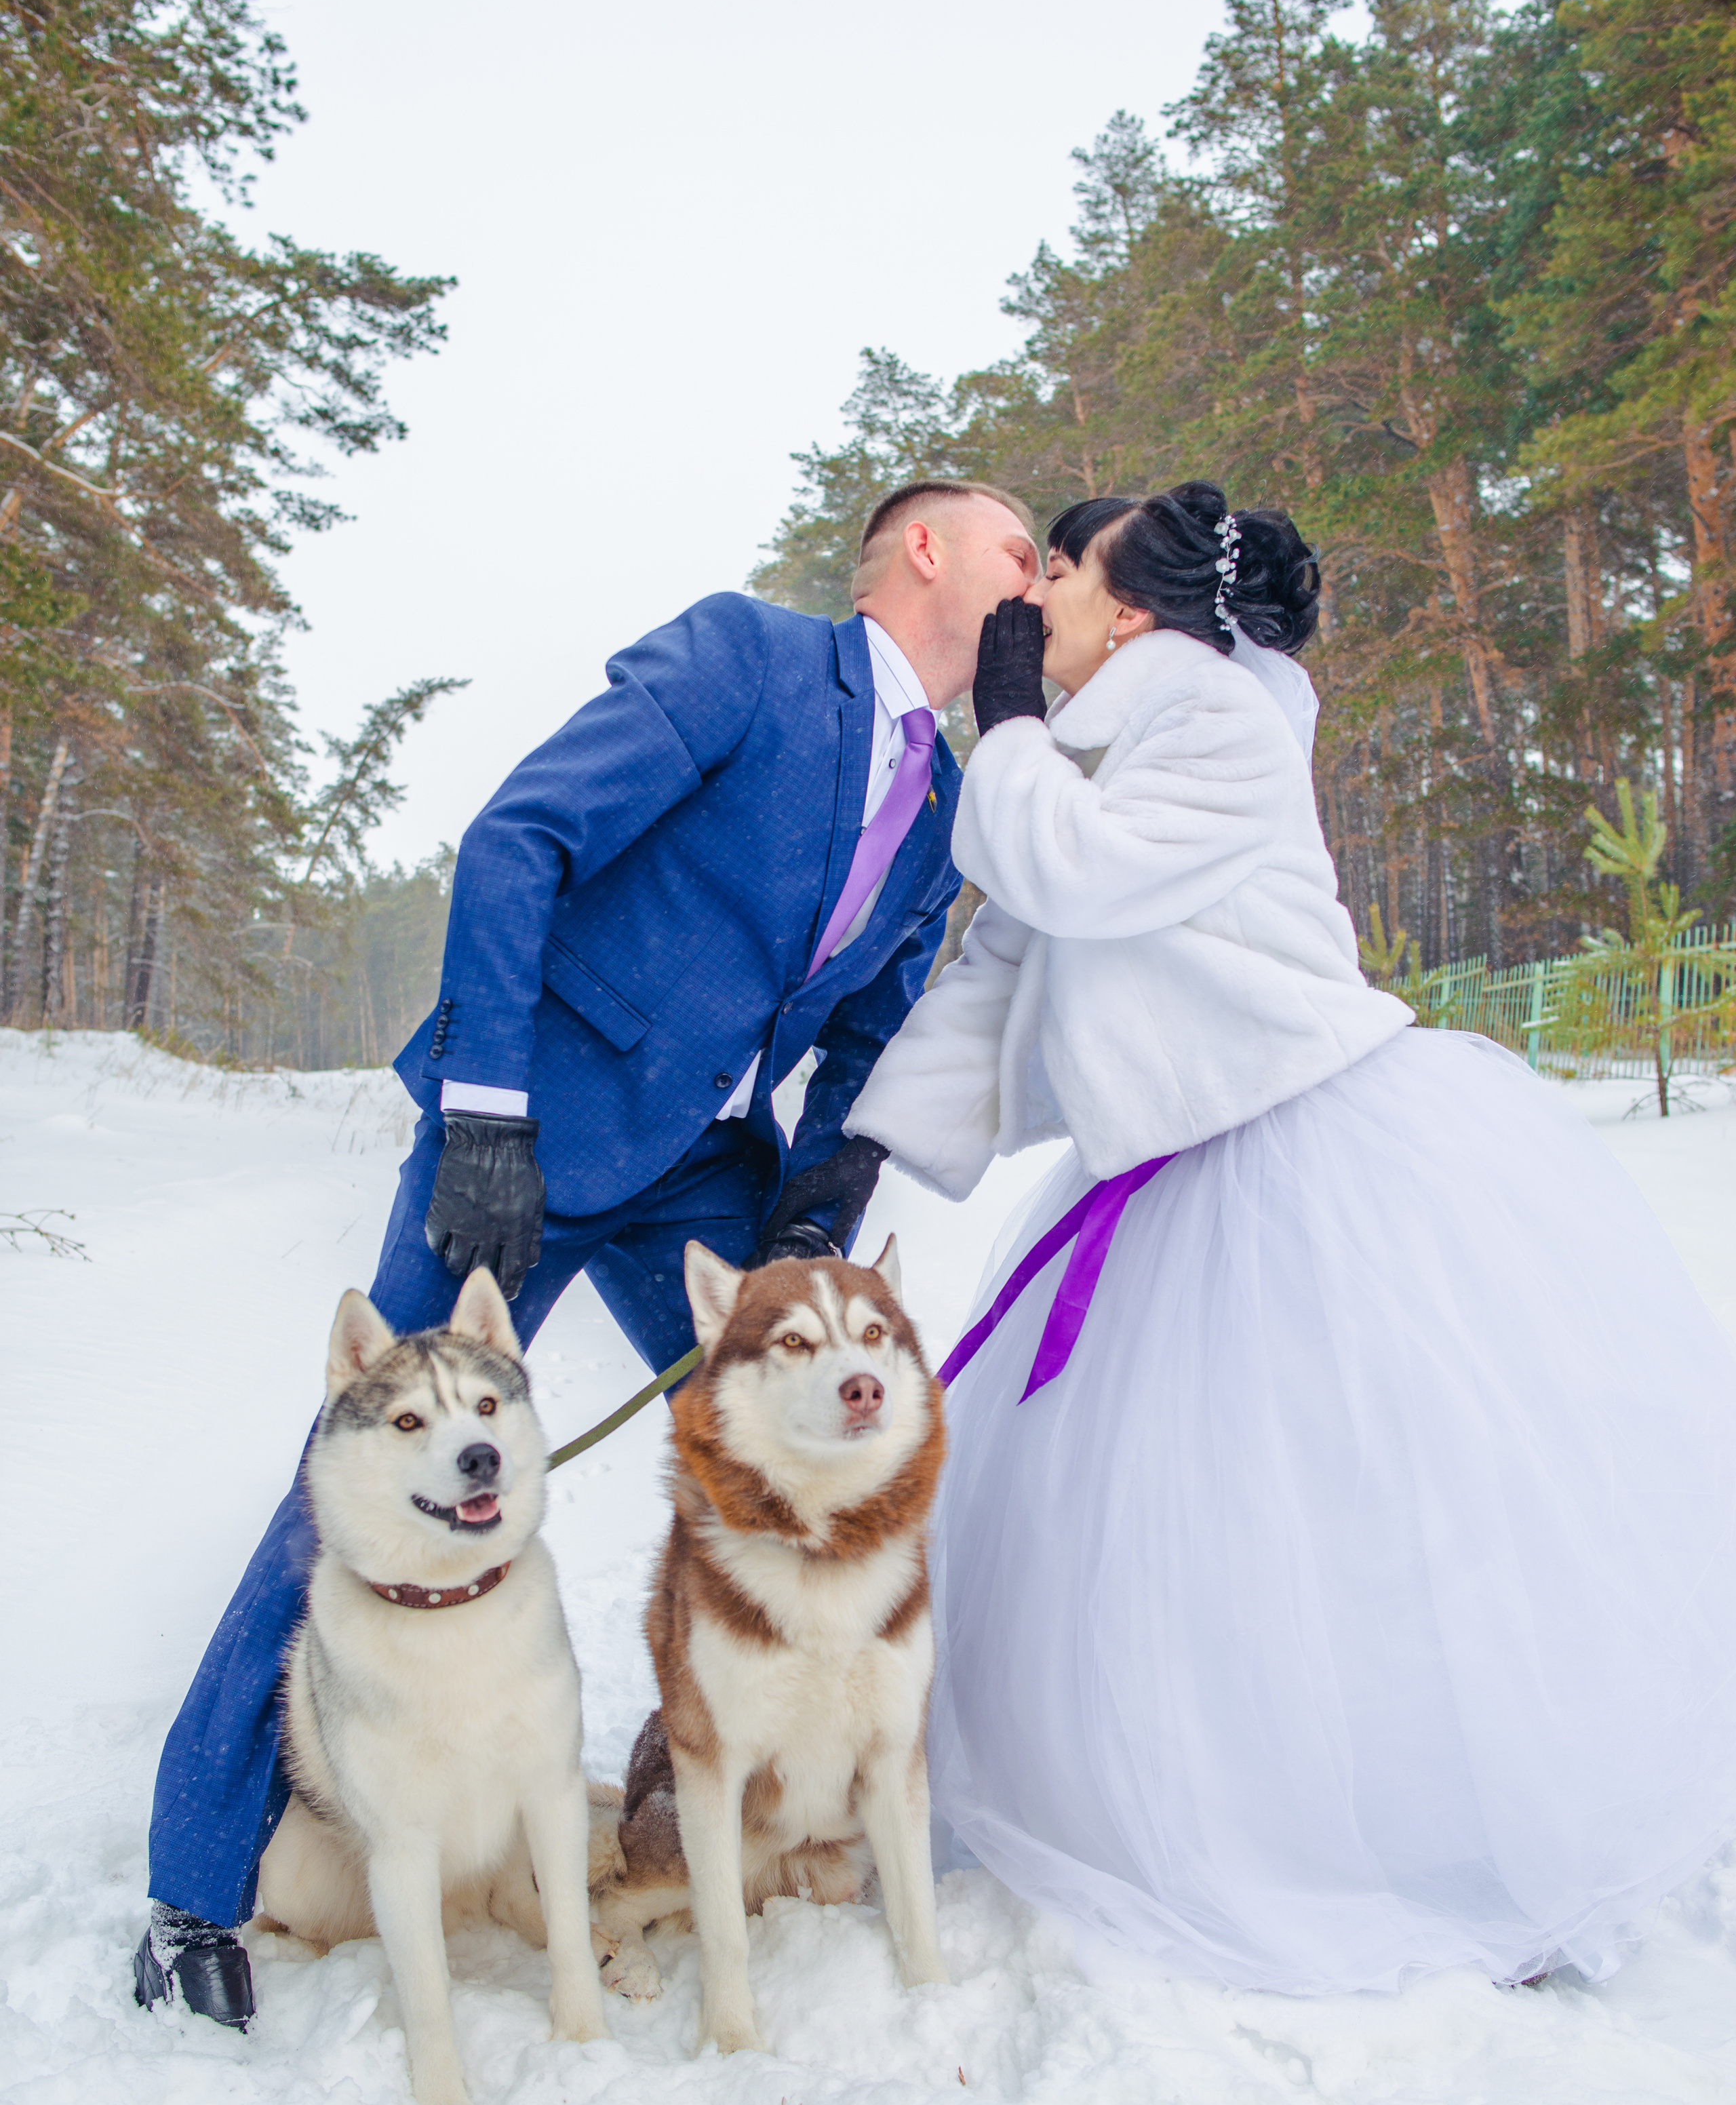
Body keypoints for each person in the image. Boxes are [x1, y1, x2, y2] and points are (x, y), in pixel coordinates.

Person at [137, 479, 1041, 2027]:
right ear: (925, 550)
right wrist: (487, 1113)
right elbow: (521, 838)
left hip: (702, 1172)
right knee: (345, 1485)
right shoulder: (750, 659)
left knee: (807, 1451)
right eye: (1021, 550)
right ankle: (191, 1888)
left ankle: (776, 1785)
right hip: (528, 1133)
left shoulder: (944, 803)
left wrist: (818, 1203)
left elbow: (871, 1031)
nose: (1039, 579)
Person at [847, 479, 1736, 1995]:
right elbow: (1002, 968)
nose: (1036, 594)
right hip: (1174, 1165)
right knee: (1185, 1529)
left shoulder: (1215, 717)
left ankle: (1443, 1829)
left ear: (1134, 611)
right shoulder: (1081, 753)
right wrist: (866, 1146)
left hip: (1306, 1150)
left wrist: (1004, 732)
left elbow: (1077, 875)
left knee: (1360, 1505)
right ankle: (1207, 1806)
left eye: (1062, 570)